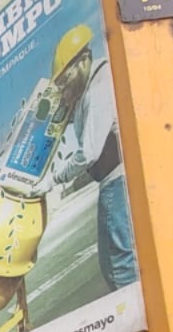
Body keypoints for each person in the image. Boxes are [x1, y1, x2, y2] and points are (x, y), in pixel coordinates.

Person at [32, 25, 139, 292]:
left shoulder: (98, 89)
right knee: (112, 264)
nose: (64, 86)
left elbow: (89, 152)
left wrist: (53, 180)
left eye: (65, 78)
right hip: (112, 183)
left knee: (120, 266)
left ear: (81, 62)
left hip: (117, 181)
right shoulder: (87, 90)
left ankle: (134, 313)